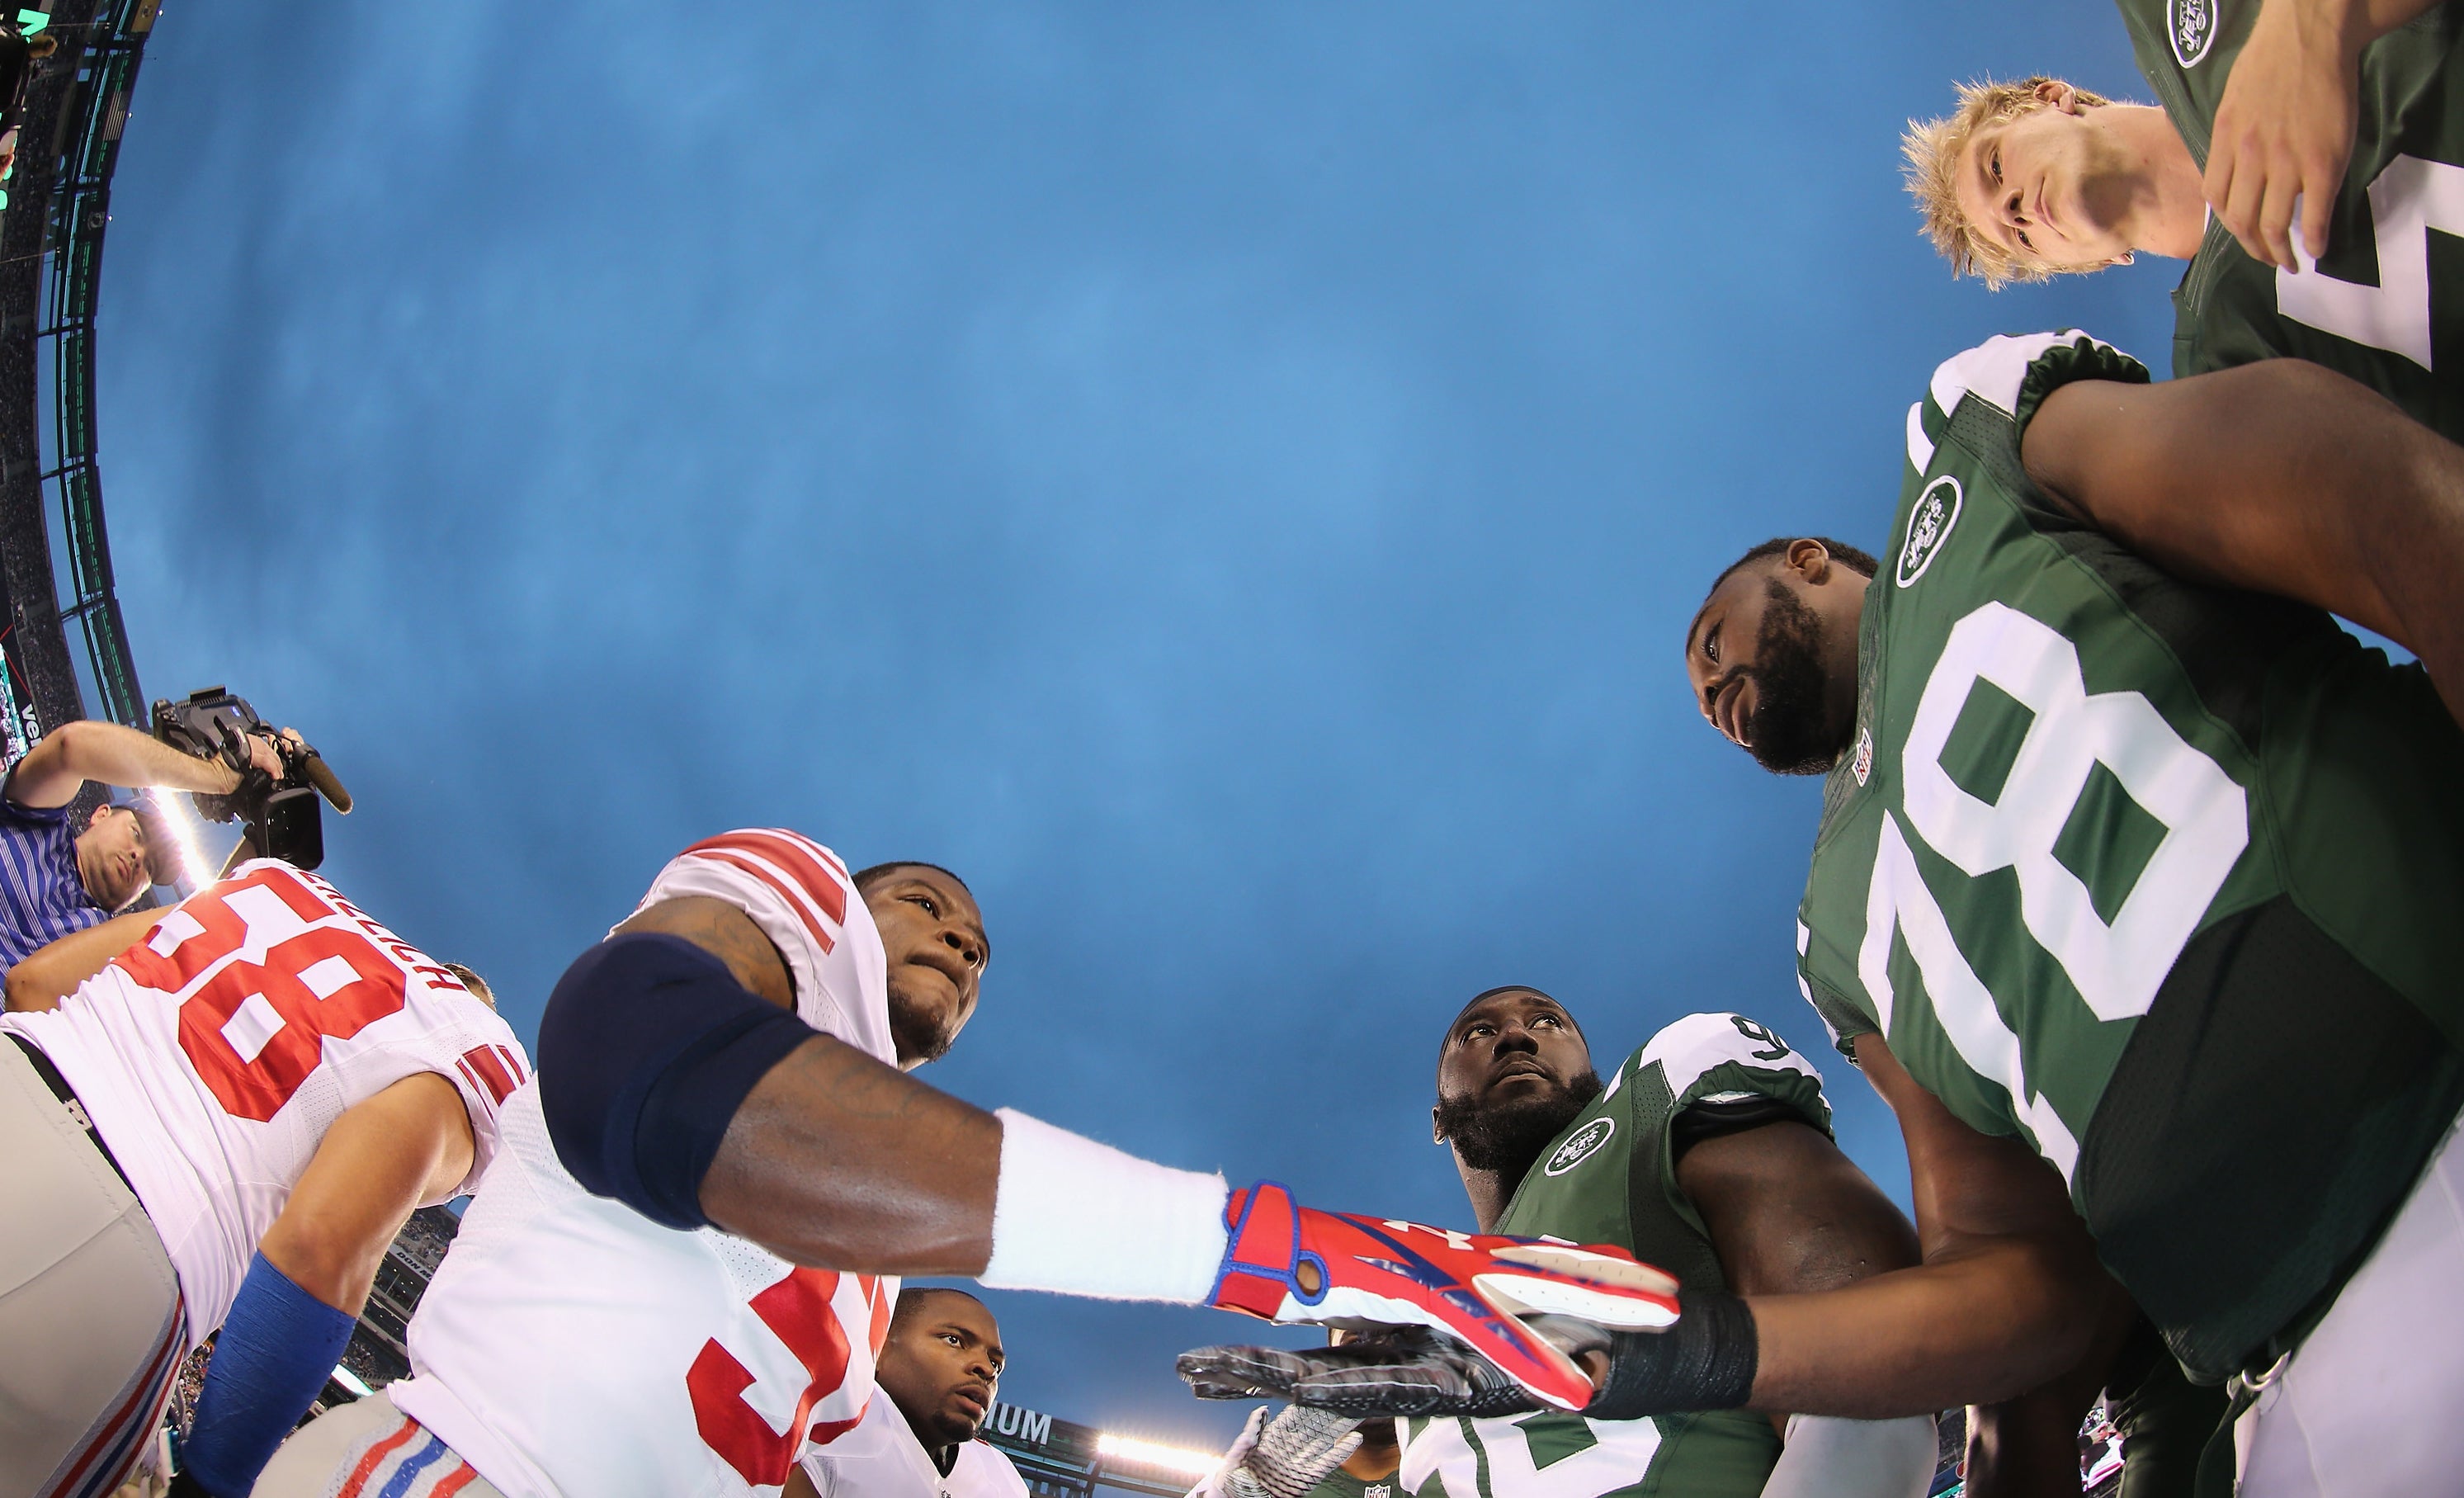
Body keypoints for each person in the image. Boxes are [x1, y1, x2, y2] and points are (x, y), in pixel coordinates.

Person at [1187, 329, 2464, 1495]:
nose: (1711, 687)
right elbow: (2017, 1284)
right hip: (2284, 1345)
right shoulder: (1835, 926)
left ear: (1807, 560)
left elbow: (2364, 493)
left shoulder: (1967, 445)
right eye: (1699, 692)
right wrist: (1674, 1353)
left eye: (1711, 638)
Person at [255, 829, 1679, 1498]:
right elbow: (632, 1051)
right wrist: (1261, 1248)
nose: (955, 941)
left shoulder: (868, 1281)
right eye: (927, 908)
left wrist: (1272, 1469)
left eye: (979, 952)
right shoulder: (786, 923)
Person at [1190, 990, 1939, 1498]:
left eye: (1547, 1022)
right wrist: (1276, 1464)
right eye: (1478, 1031)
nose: (1516, 1032)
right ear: (1437, 1117)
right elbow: (1335, 1471)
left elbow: (1873, 1376)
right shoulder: (1415, 1312)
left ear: (1592, 1075)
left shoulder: (1663, 1086)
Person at [0, 857, 527, 1498]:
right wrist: (213, 1479)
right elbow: (324, 1240)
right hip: (112, 1242)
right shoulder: (480, 1040)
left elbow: (33, 981)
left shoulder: (282, 882)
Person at [1900, 0, 2464, 440]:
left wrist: (2310, 25)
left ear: (2052, 97)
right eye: (2019, 236)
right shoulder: (2221, 366)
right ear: (2097, 262)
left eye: (1995, 166)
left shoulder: (2182, 25)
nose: (2012, 207)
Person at [0, 716, 294, 973]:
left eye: (151, 868)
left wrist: (272, 816)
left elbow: (198, 924)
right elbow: (72, 747)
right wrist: (218, 775)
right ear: (101, 814)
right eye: (137, 835)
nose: (138, 856)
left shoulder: (109, 946)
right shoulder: (38, 823)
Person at [791, 1288, 1027, 1498]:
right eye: (954, 1340)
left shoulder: (1002, 1478)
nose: (986, 1370)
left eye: (996, 1364)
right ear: (880, 1347)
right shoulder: (825, 1433)